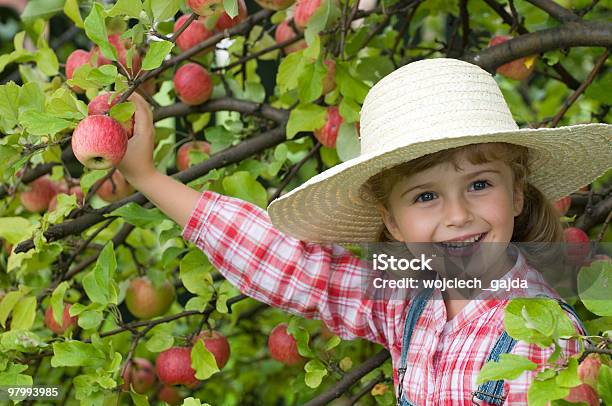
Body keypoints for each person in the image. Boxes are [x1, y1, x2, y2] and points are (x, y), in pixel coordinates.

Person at [118, 58, 612, 404]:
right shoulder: (411, 297)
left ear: (518, 193)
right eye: (425, 196)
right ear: (393, 223)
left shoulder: (540, 339)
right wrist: (147, 177)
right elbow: (293, 267)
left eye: (480, 184)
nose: (458, 214)